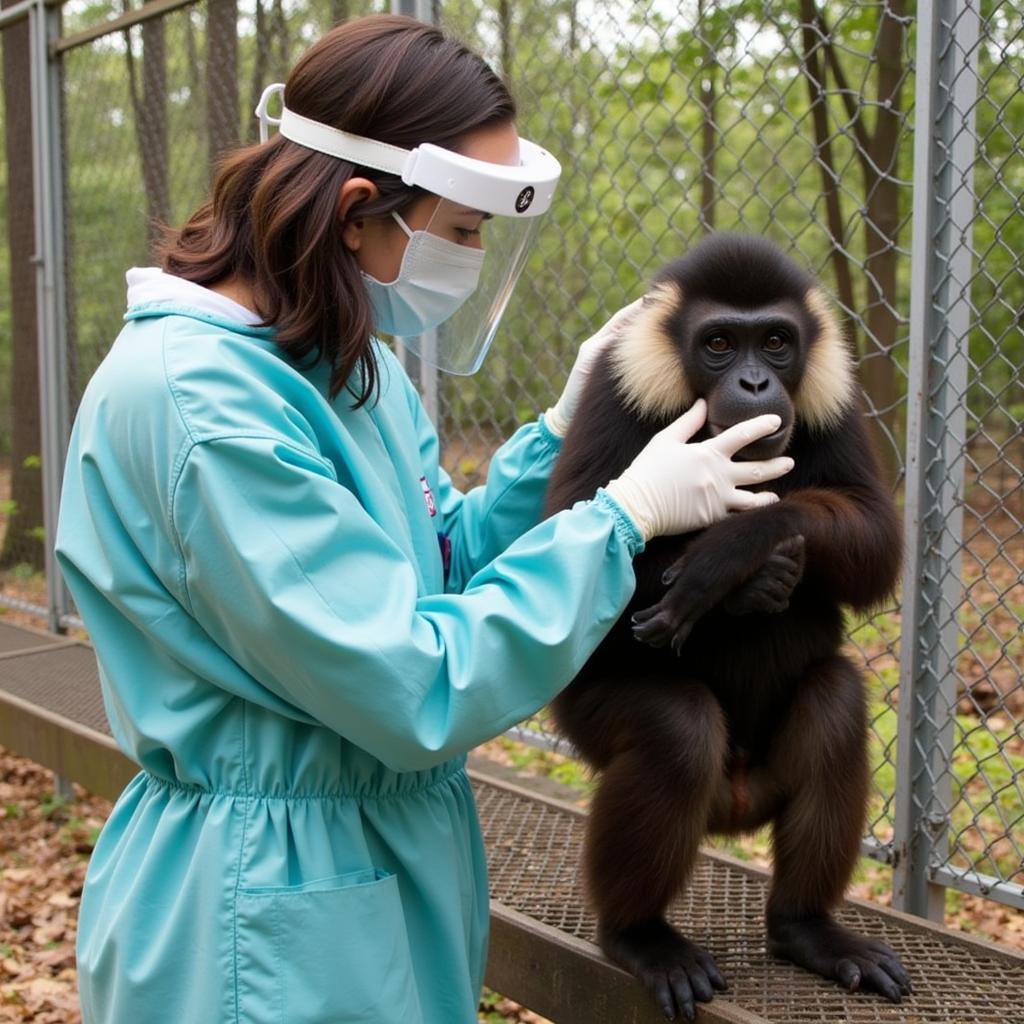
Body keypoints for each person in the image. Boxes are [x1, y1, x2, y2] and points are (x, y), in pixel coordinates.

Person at [55, 15, 793, 1024]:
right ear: (359, 209)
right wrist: (619, 520)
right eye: (462, 230)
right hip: (262, 911)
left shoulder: (339, 365)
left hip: (374, 868)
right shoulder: (204, 404)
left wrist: (559, 432)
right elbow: (410, 679)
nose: (474, 259)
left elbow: (436, 562)